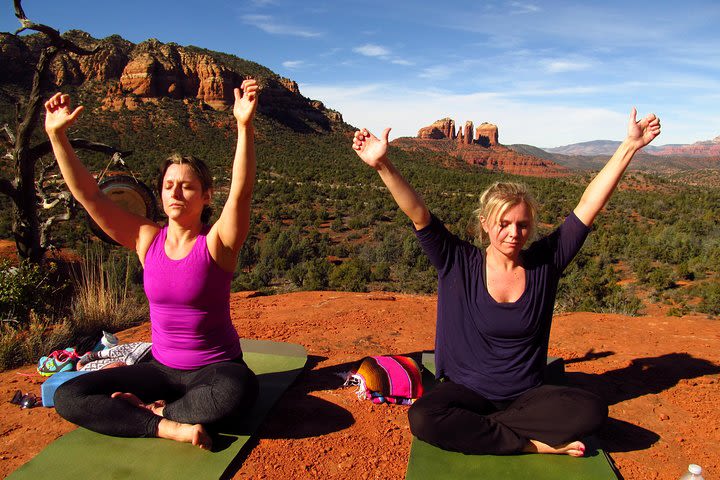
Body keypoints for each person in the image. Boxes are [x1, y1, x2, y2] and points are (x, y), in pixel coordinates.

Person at [352, 108, 660, 456]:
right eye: (503, 223)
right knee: (424, 417)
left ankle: (489, 434)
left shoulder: (546, 262)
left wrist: (630, 146)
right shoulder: (457, 261)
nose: (514, 233)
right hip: (466, 393)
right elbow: (418, 213)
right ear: (485, 223)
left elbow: (588, 204)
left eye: (522, 225)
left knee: (591, 411)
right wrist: (382, 165)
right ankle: (533, 446)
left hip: (526, 397)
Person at [45, 78, 261, 450]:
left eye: (188, 186)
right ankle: (169, 424)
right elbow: (90, 195)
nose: (176, 192)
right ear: (160, 193)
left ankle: (156, 413)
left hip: (216, 370)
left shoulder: (217, 242)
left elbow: (241, 191)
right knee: (69, 395)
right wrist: (57, 136)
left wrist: (244, 126)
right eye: (168, 185)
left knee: (237, 393)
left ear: (206, 195)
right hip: (159, 370)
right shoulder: (146, 238)